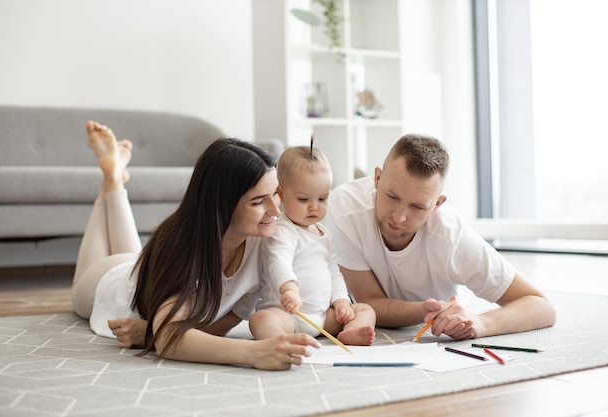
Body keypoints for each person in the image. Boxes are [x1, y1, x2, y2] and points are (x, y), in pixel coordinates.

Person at [71, 121, 320, 370]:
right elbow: (170, 338)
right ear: (222, 205)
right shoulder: (185, 250)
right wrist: (252, 352)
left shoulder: (264, 242)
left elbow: (223, 322)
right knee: (80, 286)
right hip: (107, 283)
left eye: (276, 193)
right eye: (258, 202)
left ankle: (114, 179)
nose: (276, 210)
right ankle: (112, 180)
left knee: (135, 257)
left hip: (140, 268)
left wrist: (154, 331)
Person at [325, 133, 556, 340]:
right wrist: (427, 311)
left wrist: (480, 322)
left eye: (417, 206)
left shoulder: (453, 238)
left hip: (450, 312)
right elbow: (370, 302)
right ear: (376, 179)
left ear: (437, 204)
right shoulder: (345, 207)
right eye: (392, 196)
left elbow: (541, 306)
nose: (400, 217)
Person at [249, 145, 376, 346]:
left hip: (322, 317)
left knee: (365, 310)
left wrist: (341, 301)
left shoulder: (324, 235)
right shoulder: (283, 230)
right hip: (288, 314)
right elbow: (278, 260)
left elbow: (334, 273)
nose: (314, 206)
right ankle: (282, 340)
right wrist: (289, 289)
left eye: (322, 198)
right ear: (280, 194)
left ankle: (351, 331)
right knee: (260, 320)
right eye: (303, 199)